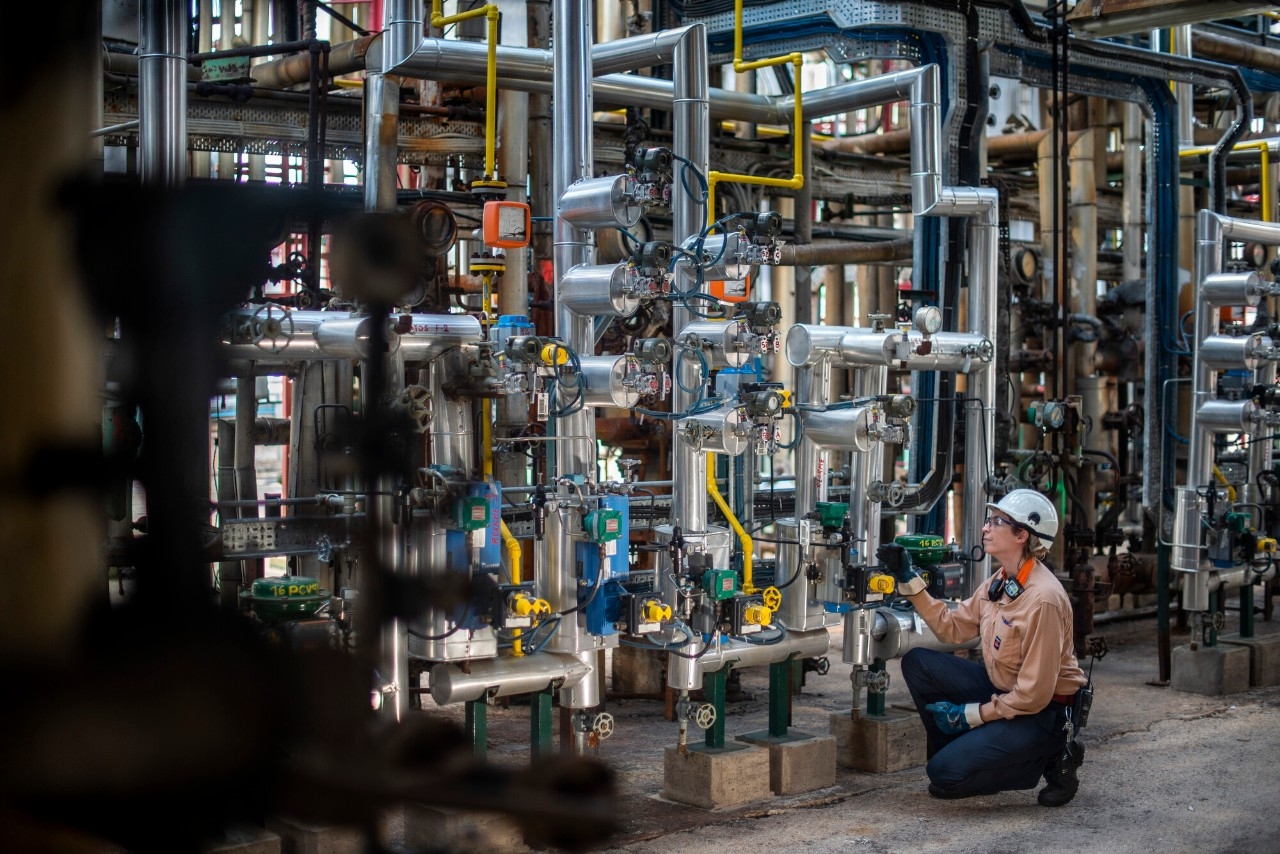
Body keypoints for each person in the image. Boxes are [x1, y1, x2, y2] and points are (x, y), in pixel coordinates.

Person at [876, 489, 1089, 806]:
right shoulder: (1001, 581)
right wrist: (909, 580)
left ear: (1021, 534)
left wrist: (970, 715)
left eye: (996, 522)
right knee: (918, 663)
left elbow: (1033, 696)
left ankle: (1053, 756)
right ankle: (966, 750)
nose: (986, 528)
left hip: (1043, 713)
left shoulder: (1043, 599)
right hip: (1004, 690)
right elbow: (952, 628)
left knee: (945, 777)